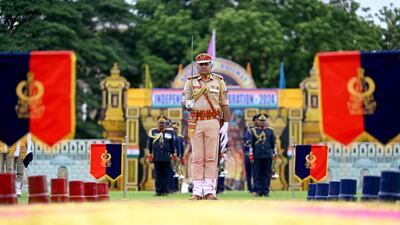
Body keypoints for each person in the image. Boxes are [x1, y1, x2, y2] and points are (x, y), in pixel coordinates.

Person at [182, 53, 230, 200]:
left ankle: (209, 191)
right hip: (196, 121)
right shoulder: (190, 82)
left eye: (206, 64)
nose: (203, 66)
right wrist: (187, 104)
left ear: (211, 65)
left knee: (211, 157)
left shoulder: (219, 82)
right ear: (196, 66)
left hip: (213, 121)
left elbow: (224, 103)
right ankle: (197, 191)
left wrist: (226, 123)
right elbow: (185, 99)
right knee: (197, 157)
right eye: (201, 64)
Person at [147, 115, 177, 196]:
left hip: (166, 157)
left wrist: (173, 153)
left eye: (163, 123)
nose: (161, 125)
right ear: (157, 124)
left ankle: (166, 191)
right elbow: (149, 143)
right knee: (158, 175)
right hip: (157, 156)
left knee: (166, 174)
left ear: (165, 124)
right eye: (160, 123)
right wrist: (149, 153)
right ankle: (158, 191)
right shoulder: (153, 132)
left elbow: (172, 144)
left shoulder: (170, 132)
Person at [249, 114, 276, 197]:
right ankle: (258, 191)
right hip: (257, 155)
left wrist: (274, 153)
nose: (262, 122)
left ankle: (266, 191)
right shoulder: (254, 131)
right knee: (257, 174)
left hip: (268, 155)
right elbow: (252, 144)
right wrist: (251, 155)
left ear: (266, 121)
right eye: (260, 120)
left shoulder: (270, 131)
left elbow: (273, 144)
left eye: (264, 120)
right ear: (258, 121)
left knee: (267, 174)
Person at [242, 114, 259, 193]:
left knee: (256, 172)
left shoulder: (262, 130)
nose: (257, 121)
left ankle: (256, 187)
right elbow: (245, 141)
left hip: (256, 154)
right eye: (256, 120)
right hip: (248, 154)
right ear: (254, 121)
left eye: (258, 120)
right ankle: (250, 188)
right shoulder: (249, 129)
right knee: (248, 173)